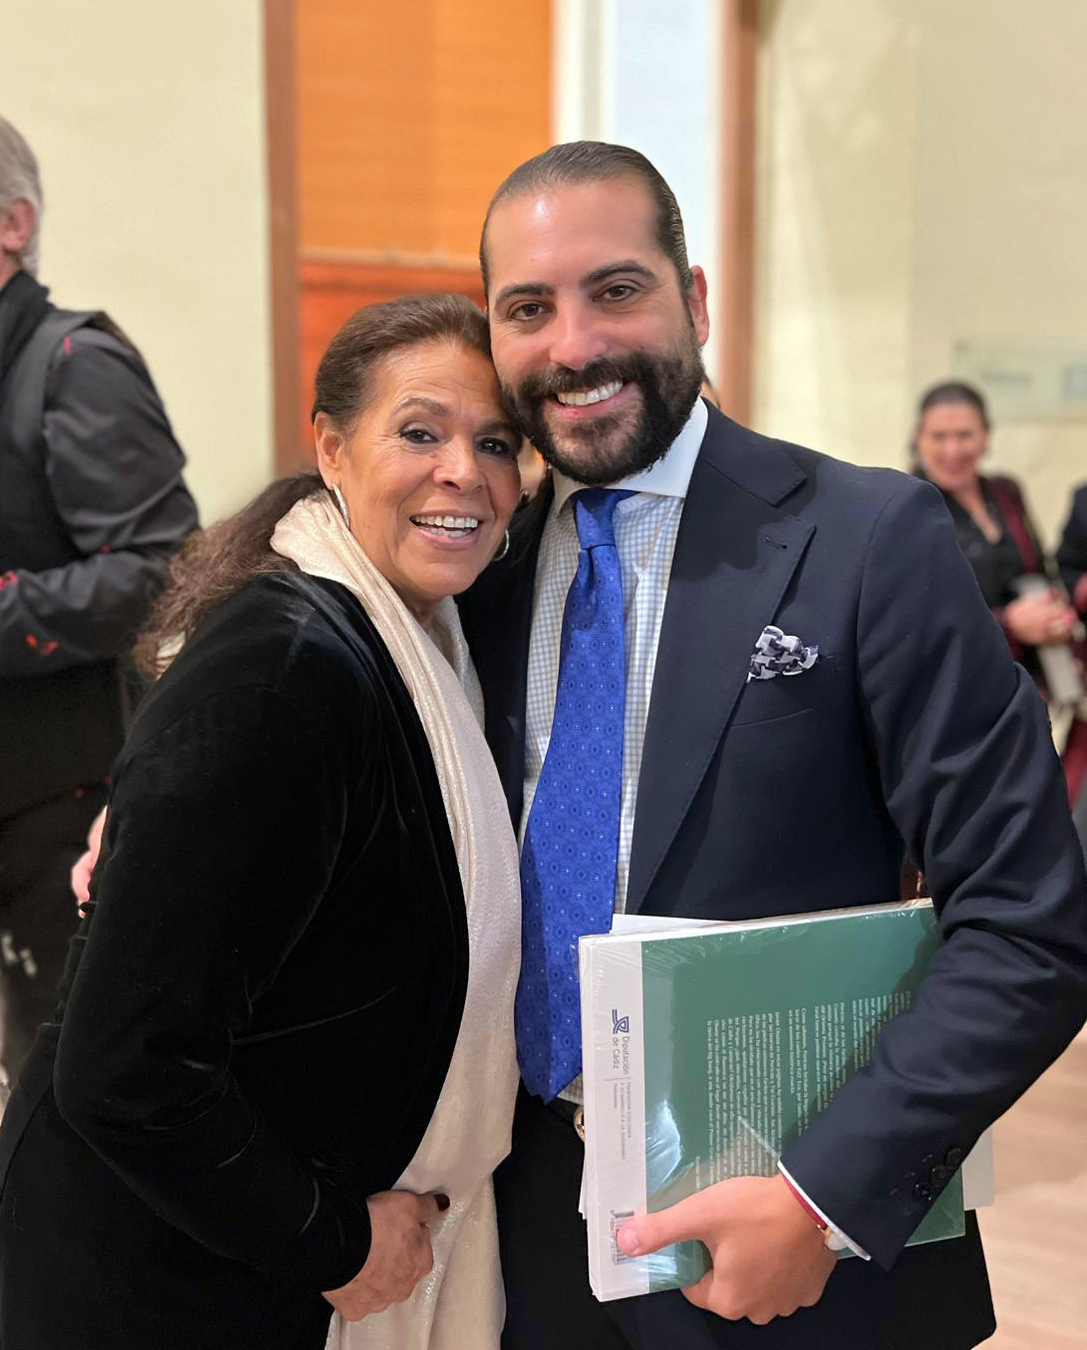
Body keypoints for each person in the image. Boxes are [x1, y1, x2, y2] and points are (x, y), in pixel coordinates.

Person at [457, 142, 1087, 1350]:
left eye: (617, 290)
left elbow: (1028, 918)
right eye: (528, 308)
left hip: (790, 1255)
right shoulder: (477, 575)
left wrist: (823, 1195)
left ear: (694, 301)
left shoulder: (866, 539)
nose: (574, 343)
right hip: (524, 1244)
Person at [0, 294, 522, 1350]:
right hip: (157, 1280)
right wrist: (331, 1239)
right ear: (331, 447)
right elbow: (125, 1069)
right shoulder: (285, 668)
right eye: (419, 432)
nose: (462, 470)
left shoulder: (429, 635)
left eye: (496, 443)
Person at [0, 114, 198, 1084]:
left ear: (14, 223)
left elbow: (159, 568)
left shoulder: (75, 365)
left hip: (59, 814)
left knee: (57, 1098)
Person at [912, 382, 1087, 804]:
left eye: (965, 435)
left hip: (1022, 688)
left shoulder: (1005, 493)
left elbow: (1039, 572)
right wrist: (1011, 622)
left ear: (986, 436)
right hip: (957, 693)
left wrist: (1055, 619)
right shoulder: (910, 504)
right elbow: (917, 615)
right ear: (919, 440)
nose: (953, 449)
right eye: (940, 436)